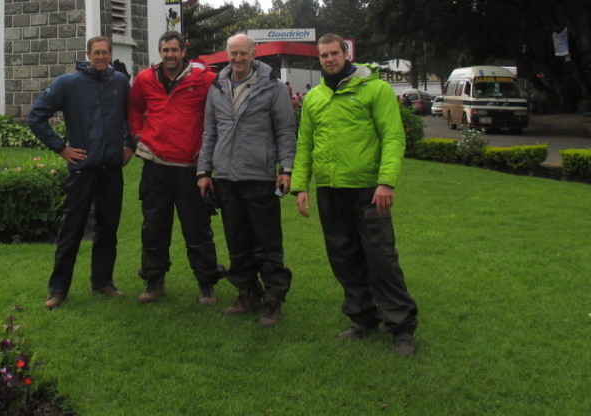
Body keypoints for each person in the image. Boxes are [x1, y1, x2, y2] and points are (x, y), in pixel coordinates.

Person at [291, 33, 419, 356]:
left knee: (381, 259)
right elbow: (304, 144)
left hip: (368, 190)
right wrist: (300, 186)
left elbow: (393, 137)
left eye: (334, 53)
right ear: (318, 58)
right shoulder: (315, 98)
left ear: (346, 54)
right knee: (344, 259)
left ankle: (401, 328)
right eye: (323, 56)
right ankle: (362, 319)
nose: (329, 59)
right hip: (330, 192)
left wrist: (386, 181)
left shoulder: (375, 89)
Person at [27, 36, 135, 310]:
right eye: (96, 53)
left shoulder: (120, 82)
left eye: (105, 53)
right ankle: (58, 289)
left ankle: (103, 282)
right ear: (87, 54)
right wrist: (62, 149)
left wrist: (128, 144)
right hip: (82, 170)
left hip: (111, 169)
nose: (101, 57)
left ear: (110, 55)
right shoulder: (69, 83)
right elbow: (36, 116)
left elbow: (129, 118)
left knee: (108, 229)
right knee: (71, 229)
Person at [197, 34, 295, 327]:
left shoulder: (273, 87)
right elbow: (210, 132)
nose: (237, 59)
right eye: (233, 53)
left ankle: (273, 301)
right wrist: (204, 172)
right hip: (227, 177)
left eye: (243, 53)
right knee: (237, 241)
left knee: (267, 242)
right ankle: (247, 294)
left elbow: (285, 131)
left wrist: (286, 169)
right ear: (226, 54)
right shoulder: (217, 87)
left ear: (254, 54)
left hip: (262, 178)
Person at [128, 32, 223, 305]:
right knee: (154, 227)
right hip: (155, 165)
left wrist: (208, 152)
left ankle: (207, 284)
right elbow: (134, 108)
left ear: (184, 51)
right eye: (164, 50)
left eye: (174, 50)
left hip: (190, 168)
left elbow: (218, 115)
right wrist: (137, 136)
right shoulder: (145, 79)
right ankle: (153, 281)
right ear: (159, 52)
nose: (169, 55)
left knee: (197, 228)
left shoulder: (204, 80)